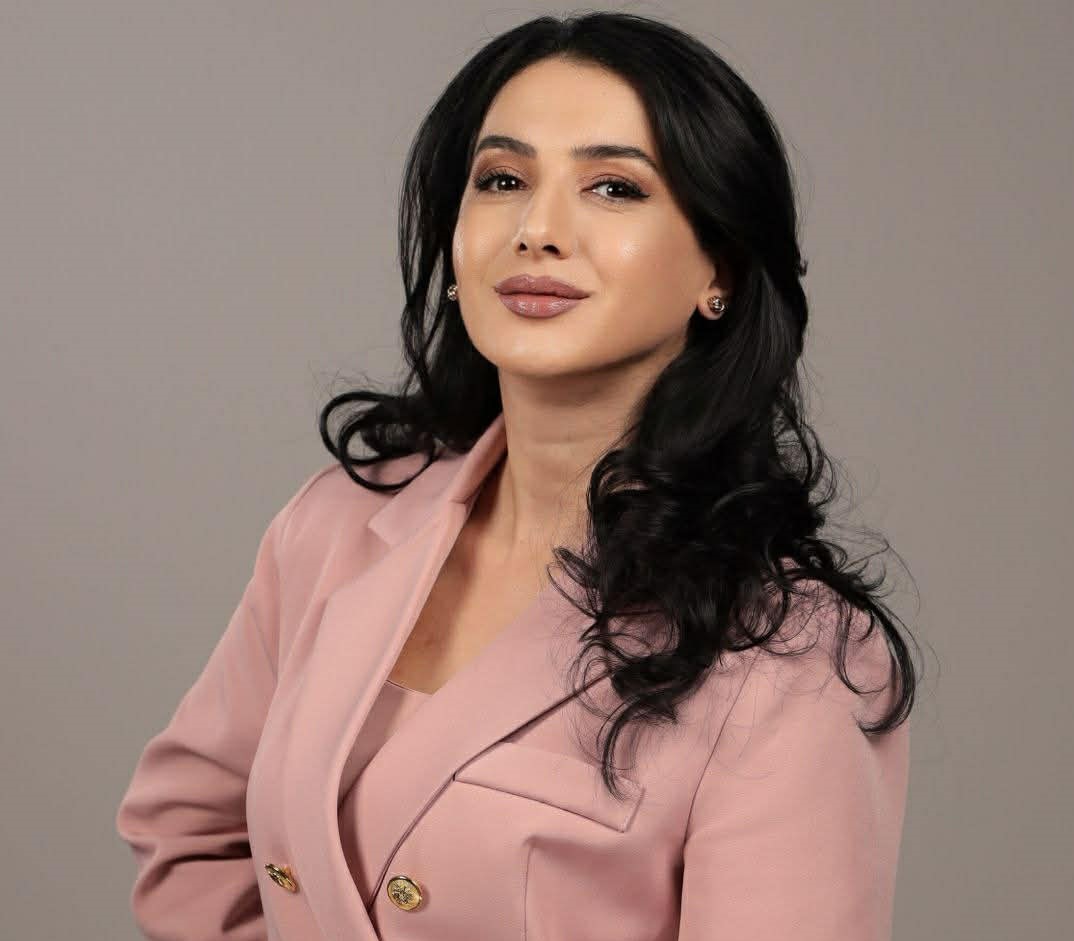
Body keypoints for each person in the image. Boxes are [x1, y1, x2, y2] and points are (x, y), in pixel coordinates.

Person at [116, 11, 920, 940]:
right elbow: (188, 840)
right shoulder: (333, 525)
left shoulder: (791, 658)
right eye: (502, 179)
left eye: (614, 187)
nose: (538, 229)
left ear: (722, 270)